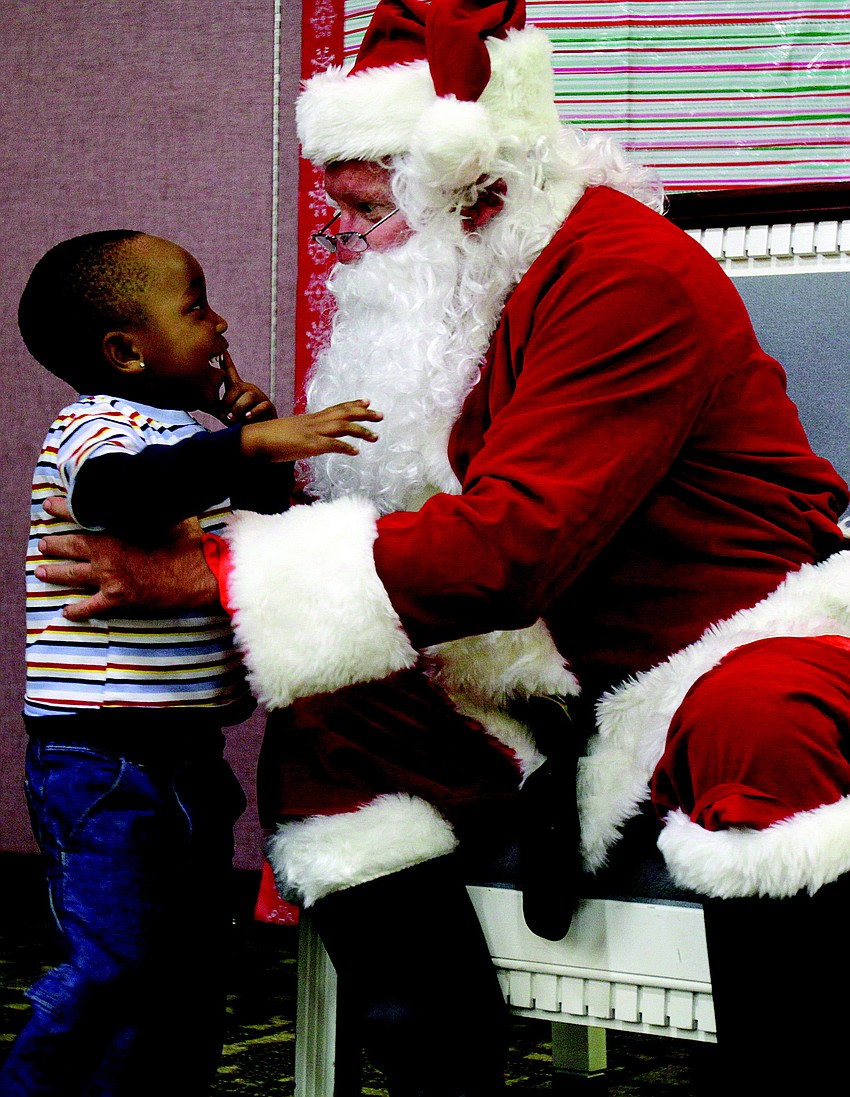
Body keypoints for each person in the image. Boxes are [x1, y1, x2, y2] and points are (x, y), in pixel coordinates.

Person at [33, 2, 850, 1093]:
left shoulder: (621, 273)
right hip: (537, 659)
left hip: (721, 635)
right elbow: (399, 522)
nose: (338, 205)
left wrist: (206, 568)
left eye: (364, 176)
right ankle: (445, 1063)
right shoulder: (447, 283)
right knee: (332, 728)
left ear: (468, 163)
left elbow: (510, 545)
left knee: (766, 720)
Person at [1, 229, 381, 1097]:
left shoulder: (183, 435)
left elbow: (244, 529)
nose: (218, 326)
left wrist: (245, 440)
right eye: (196, 304)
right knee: (112, 963)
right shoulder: (94, 427)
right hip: (100, 760)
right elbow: (117, 496)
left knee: (187, 966)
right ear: (126, 351)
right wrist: (246, 445)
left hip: (187, 753)